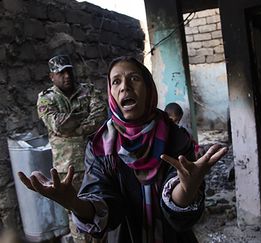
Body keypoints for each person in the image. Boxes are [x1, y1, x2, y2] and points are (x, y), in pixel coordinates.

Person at [19, 56, 227, 242]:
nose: (124, 87)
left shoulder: (176, 137)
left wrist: (187, 189)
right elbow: (105, 203)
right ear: (111, 93)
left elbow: (181, 211)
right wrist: (75, 203)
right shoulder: (100, 146)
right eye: (116, 81)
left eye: (134, 78)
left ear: (148, 86)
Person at [37, 55, 107, 242]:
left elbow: (100, 114)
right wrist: (84, 117)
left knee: (101, 206)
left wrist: (77, 128)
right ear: (52, 76)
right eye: (61, 73)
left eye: (69, 71)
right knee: (75, 212)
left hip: (96, 162)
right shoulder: (46, 99)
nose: (66, 76)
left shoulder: (88, 90)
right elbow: (57, 125)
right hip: (67, 168)